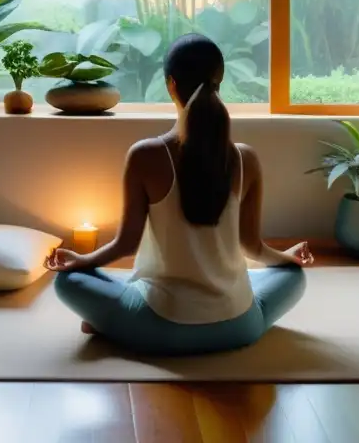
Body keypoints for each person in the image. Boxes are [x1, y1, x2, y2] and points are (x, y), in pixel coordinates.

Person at [46, 33, 313, 357]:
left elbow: (125, 244)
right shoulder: (246, 158)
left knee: (67, 282)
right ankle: (116, 321)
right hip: (240, 326)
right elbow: (252, 247)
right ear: (220, 82)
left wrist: (83, 261)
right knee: (292, 276)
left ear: (171, 84)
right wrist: (289, 257)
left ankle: (110, 323)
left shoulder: (146, 155)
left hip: (162, 329)